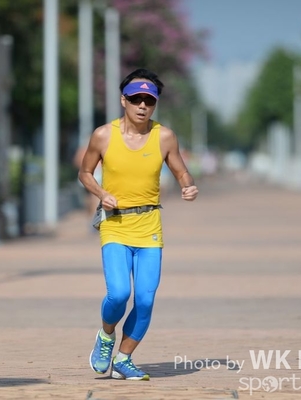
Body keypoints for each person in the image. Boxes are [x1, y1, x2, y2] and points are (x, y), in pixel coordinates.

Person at [78, 68, 198, 380]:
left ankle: (123, 359)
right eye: (136, 99)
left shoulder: (164, 137)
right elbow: (85, 173)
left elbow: (181, 171)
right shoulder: (104, 135)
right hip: (115, 225)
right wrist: (101, 193)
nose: (142, 106)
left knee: (145, 300)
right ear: (124, 100)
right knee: (119, 294)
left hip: (149, 227)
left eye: (149, 100)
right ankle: (106, 336)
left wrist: (188, 185)